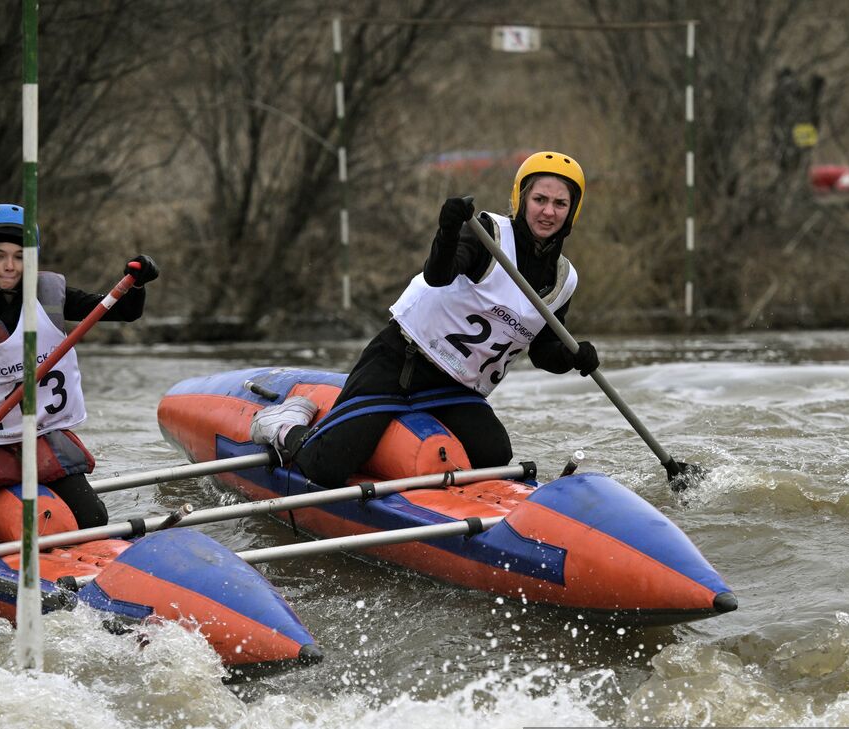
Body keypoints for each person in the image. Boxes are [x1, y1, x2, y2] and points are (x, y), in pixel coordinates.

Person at [252, 151, 599, 490]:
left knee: (496, 458)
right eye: (540, 199)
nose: (548, 212)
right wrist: (448, 230)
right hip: (401, 361)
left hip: (457, 387)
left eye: (560, 204)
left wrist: (573, 357)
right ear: (521, 199)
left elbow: (543, 352)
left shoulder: (563, 279)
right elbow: (439, 274)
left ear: (573, 211)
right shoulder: (487, 235)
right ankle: (284, 426)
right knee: (327, 469)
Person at [0, 203, 157, 554]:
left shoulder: (49, 293)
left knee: (93, 518)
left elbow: (125, 311)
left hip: (36, 437)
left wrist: (136, 282)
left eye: (19, 255)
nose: (10, 266)